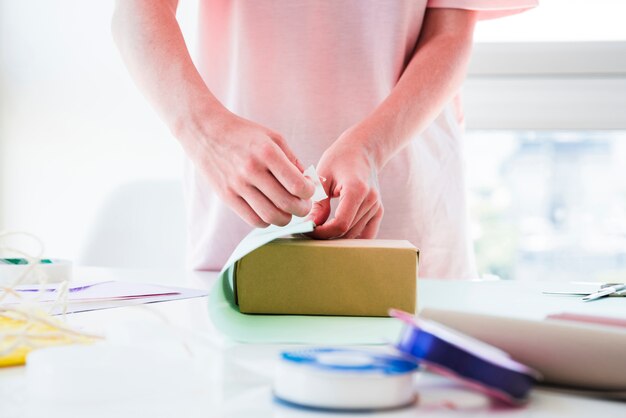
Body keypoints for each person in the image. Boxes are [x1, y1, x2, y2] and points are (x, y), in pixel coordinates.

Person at [112, 0, 537, 278]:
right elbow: (136, 11)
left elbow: (450, 33)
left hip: (406, 217)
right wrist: (206, 133)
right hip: (242, 219)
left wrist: (371, 146)